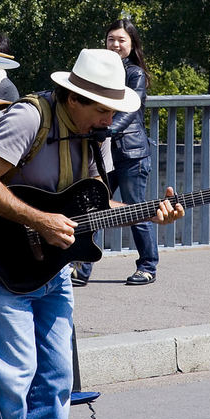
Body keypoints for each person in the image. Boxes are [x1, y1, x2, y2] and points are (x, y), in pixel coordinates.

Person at [0, 48, 184, 419]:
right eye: (103, 109)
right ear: (74, 99)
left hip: (53, 267)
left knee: (56, 380)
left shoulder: (94, 134)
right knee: (9, 379)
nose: (109, 119)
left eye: (114, 110)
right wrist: (38, 220)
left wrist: (149, 214)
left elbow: (92, 210)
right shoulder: (29, 119)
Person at [72, 18, 158, 287]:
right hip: (103, 153)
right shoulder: (100, 73)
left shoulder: (135, 74)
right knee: (94, 207)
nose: (116, 44)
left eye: (121, 40)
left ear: (132, 45)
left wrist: (105, 130)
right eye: (111, 39)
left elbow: (129, 110)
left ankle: (148, 266)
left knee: (135, 210)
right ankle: (82, 269)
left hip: (131, 154)